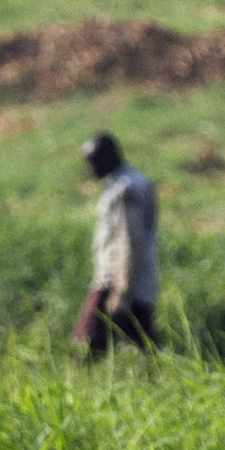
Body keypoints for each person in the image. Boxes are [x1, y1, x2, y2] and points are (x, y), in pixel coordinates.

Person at [75, 131, 160, 357]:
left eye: (93, 161)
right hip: (132, 281)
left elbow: (130, 244)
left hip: (118, 280)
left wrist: (121, 291)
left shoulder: (126, 190)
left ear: (106, 159)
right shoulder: (129, 182)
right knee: (144, 347)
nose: (90, 168)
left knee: (87, 345)